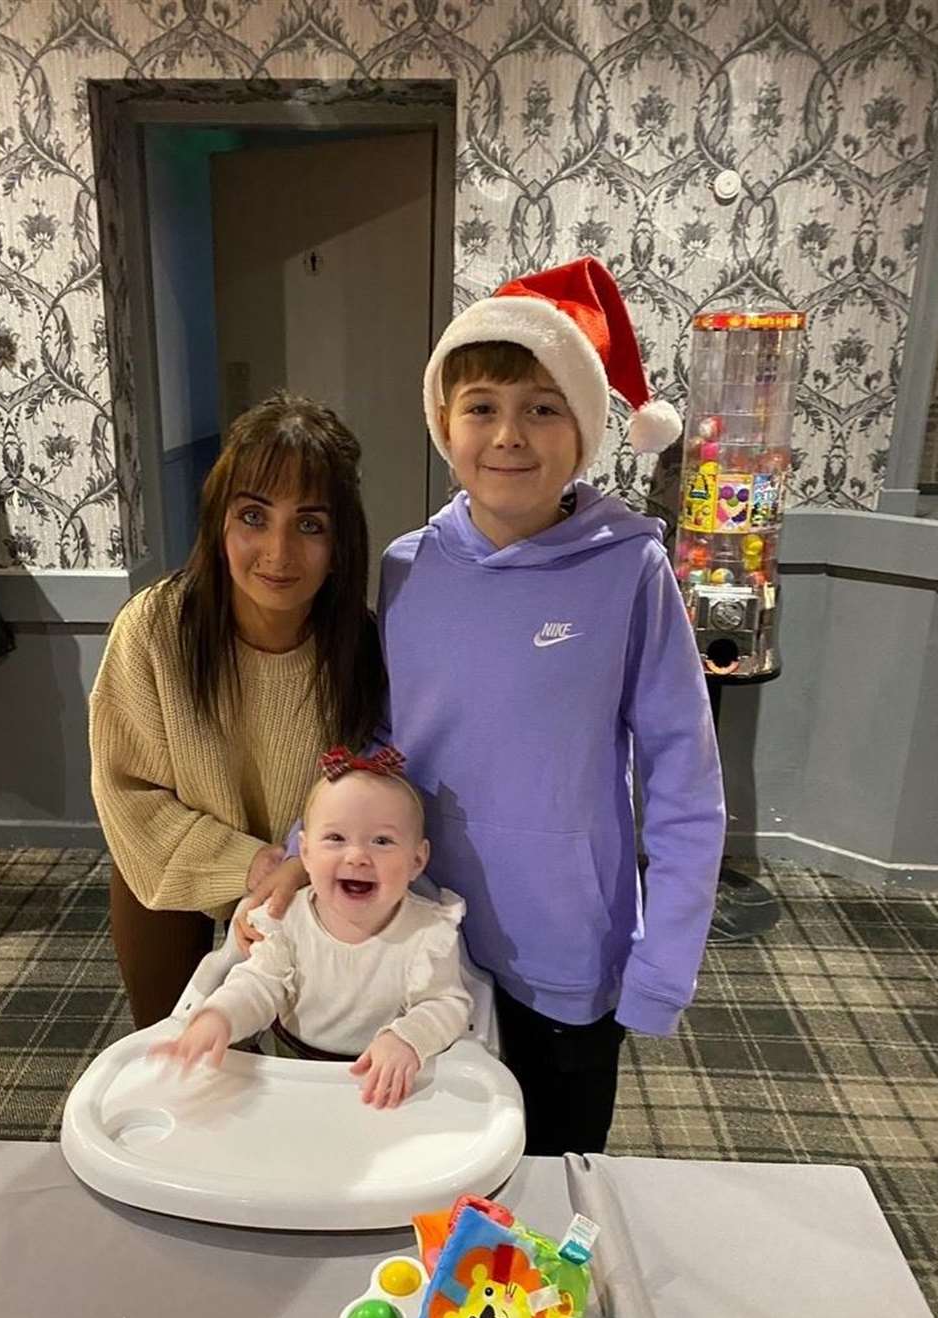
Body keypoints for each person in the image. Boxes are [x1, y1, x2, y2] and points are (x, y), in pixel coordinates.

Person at [242, 257, 725, 1155]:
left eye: (543, 407)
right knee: (420, 1154)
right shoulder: (408, 566)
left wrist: (666, 957)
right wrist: (311, 853)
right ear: (443, 423)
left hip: (565, 947)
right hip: (411, 928)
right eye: (482, 407)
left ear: (583, 429)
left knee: (551, 1168)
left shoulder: (630, 570)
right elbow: (384, 742)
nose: (510, 434)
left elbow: (683, 778)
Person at [89, 392, 385, 1028]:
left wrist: (301, 867)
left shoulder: (364, 649)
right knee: (177, 1055)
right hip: (173, 870)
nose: (278, 553)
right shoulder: (154, 629)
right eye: (254, 516)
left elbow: (376, 792)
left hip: (311, 880)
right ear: (219, 521)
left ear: (340, 544)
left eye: (310, 525)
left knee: (307, 1067)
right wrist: (253, 863)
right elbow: (129, 794)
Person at [152, 750, 472, 1109]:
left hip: (384, 1085)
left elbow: (447, 1004)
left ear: (417, 859)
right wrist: (220, 1016)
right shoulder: (287, 920)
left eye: (381, 841)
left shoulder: (428, 932)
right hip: (289, 1076)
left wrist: (408, 1039)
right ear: (304, 853)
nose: (356, 856)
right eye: (335, 838)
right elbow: (258, 985)